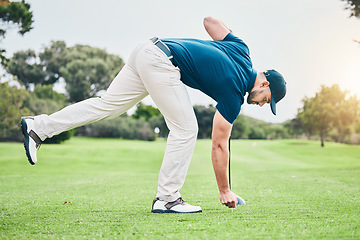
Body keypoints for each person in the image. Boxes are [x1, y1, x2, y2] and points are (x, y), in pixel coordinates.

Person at [21, 16, 286, 213]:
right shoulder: (234, 92)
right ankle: (167, 199)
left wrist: (218, 52)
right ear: (264, 84)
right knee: (186, 129)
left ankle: (38, 127)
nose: (262, 105)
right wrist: (224, 190)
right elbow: (219, 144)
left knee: (106, 105)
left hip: (147, 49)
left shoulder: (242, 50)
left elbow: (210, 22)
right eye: (267, 100)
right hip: (162, 62)